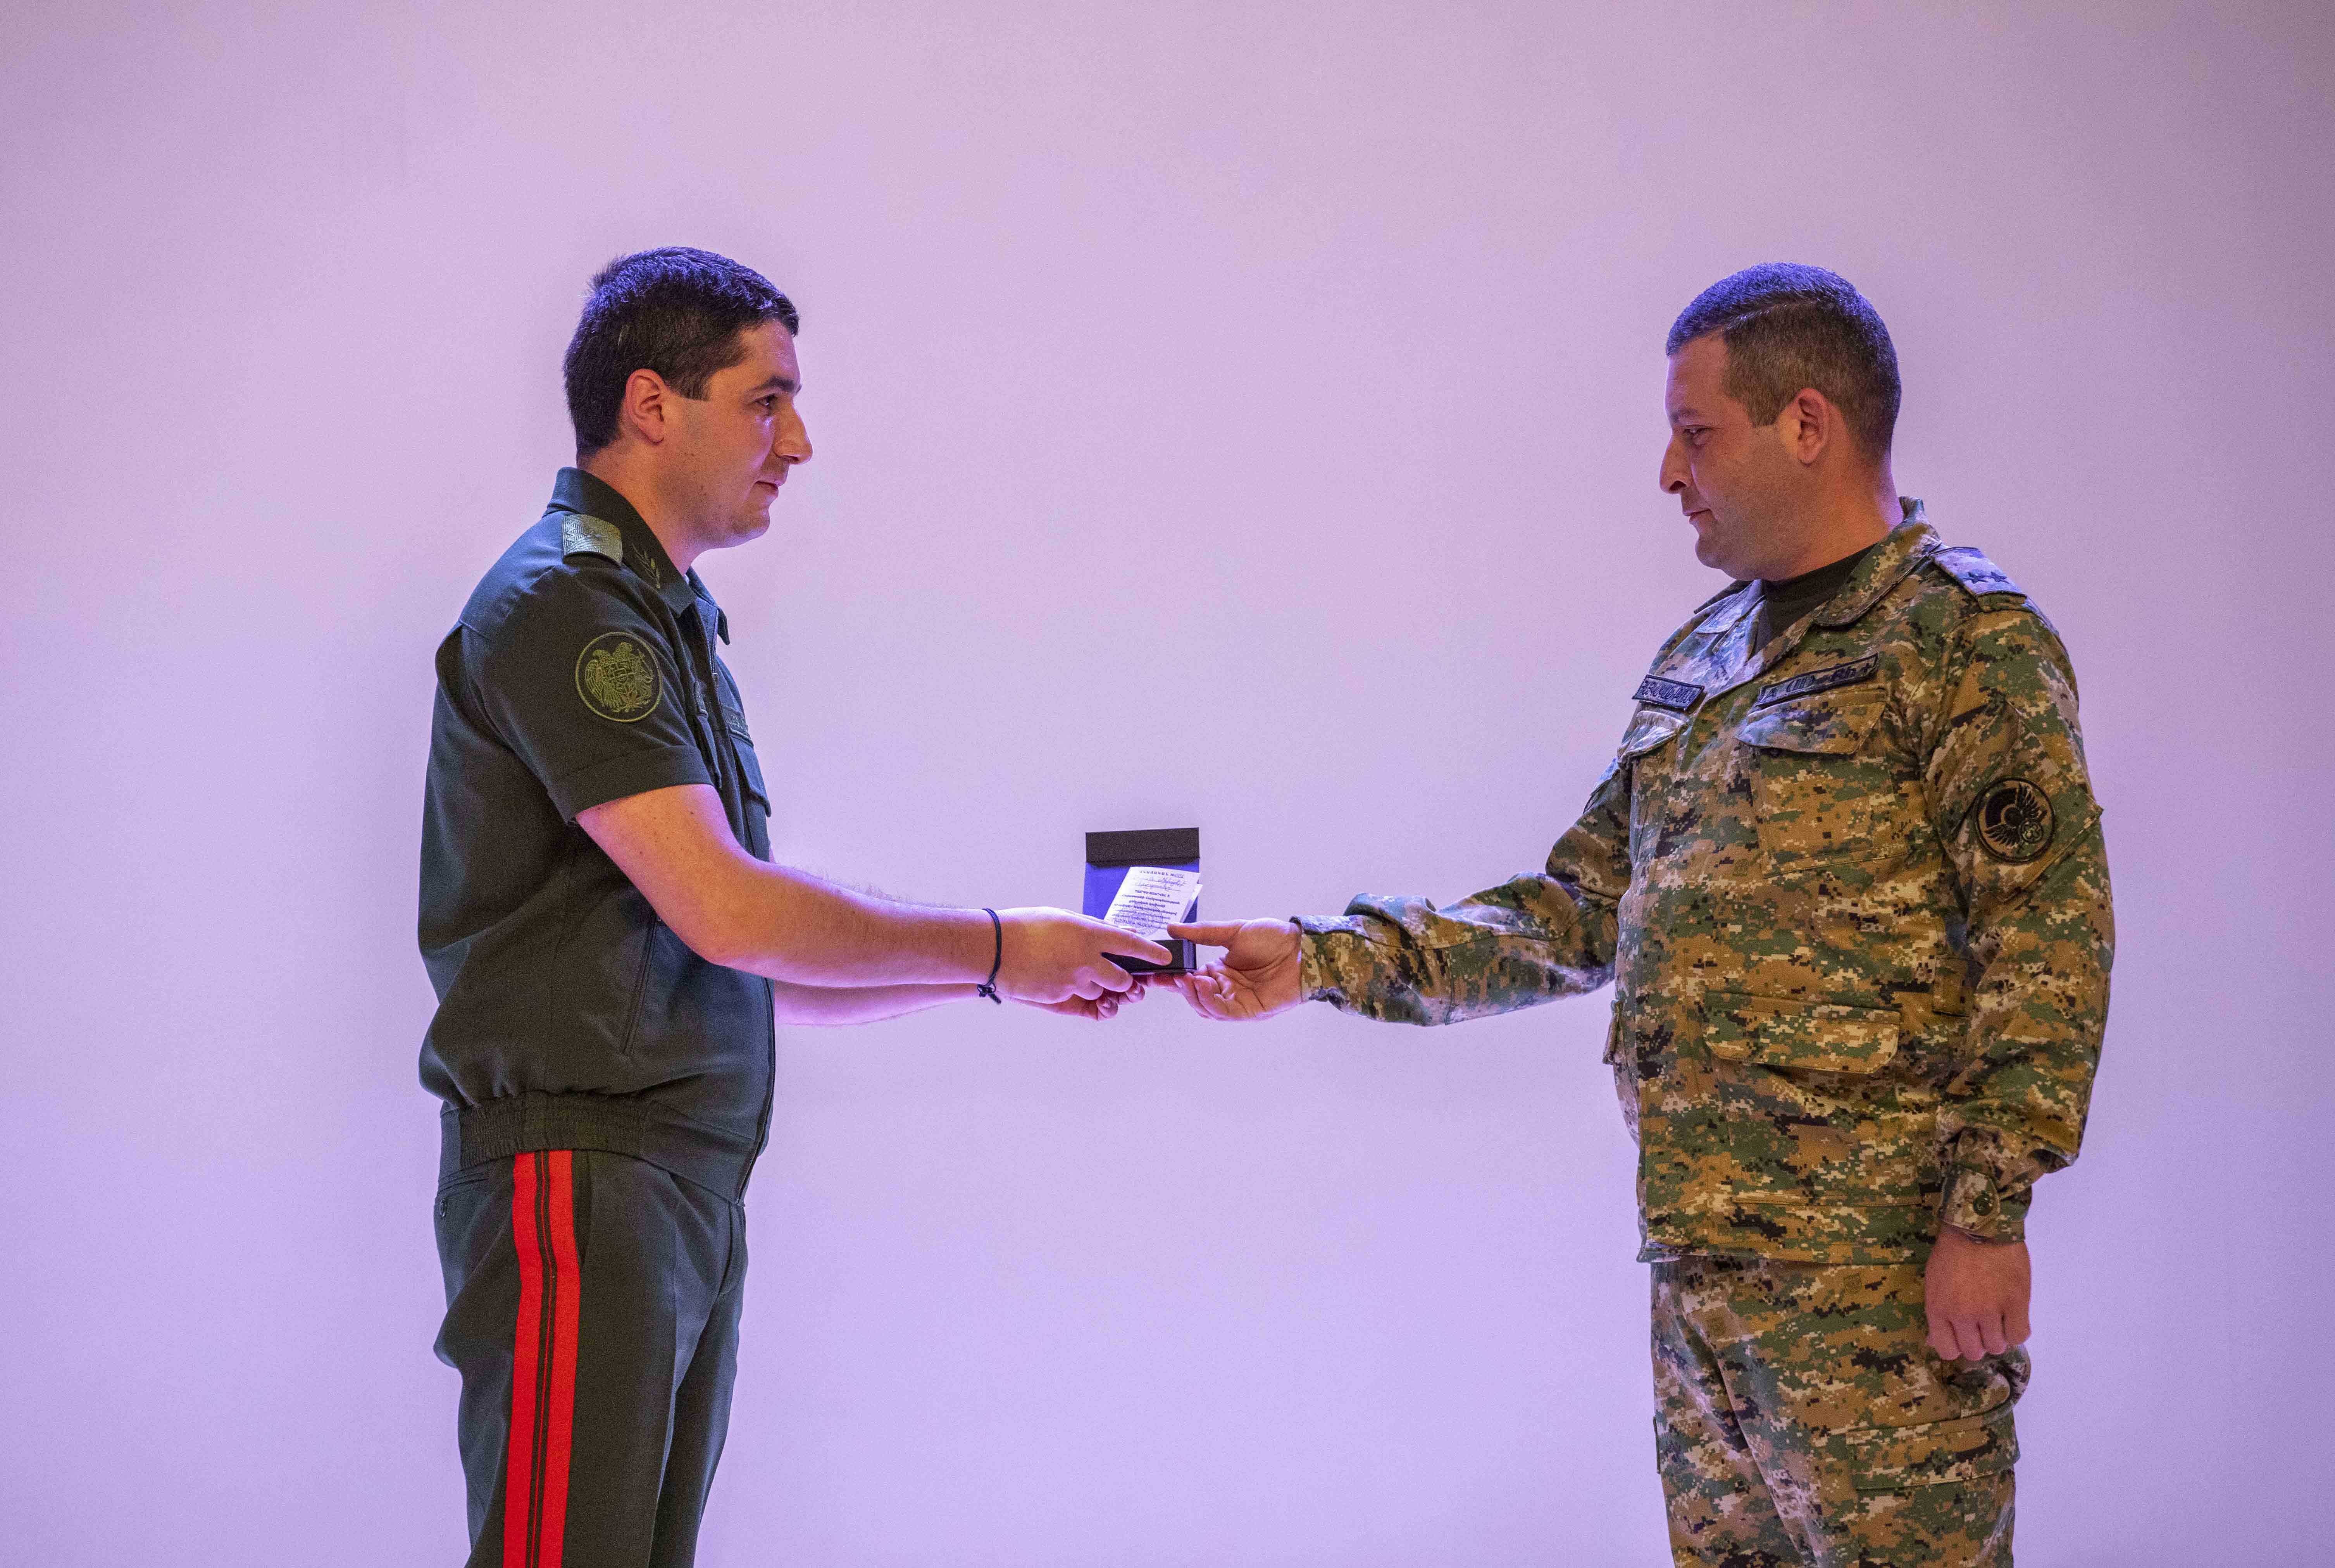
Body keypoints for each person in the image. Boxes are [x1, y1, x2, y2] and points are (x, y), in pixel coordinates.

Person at [1164, 264, 2113, 1566]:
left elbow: (2046, 940)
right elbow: (1577, 911)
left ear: (1808, 424)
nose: (1671, 473)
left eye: (1696, 432)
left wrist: (1989, 1215)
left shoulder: (1963, 642)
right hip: (1702, 1276)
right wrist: (1322, 960)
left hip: (1879, 1284)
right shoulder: (1708, 656)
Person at [417, 246, 1165, 1568]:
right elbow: (732, 911)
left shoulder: (662, 616)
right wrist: (998, 946)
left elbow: (742, 958)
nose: (799, 443)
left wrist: (1012, 967)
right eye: (768, 402)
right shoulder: (567, 601)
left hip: (671, 1182)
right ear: (652, 405)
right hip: (587, 1176)